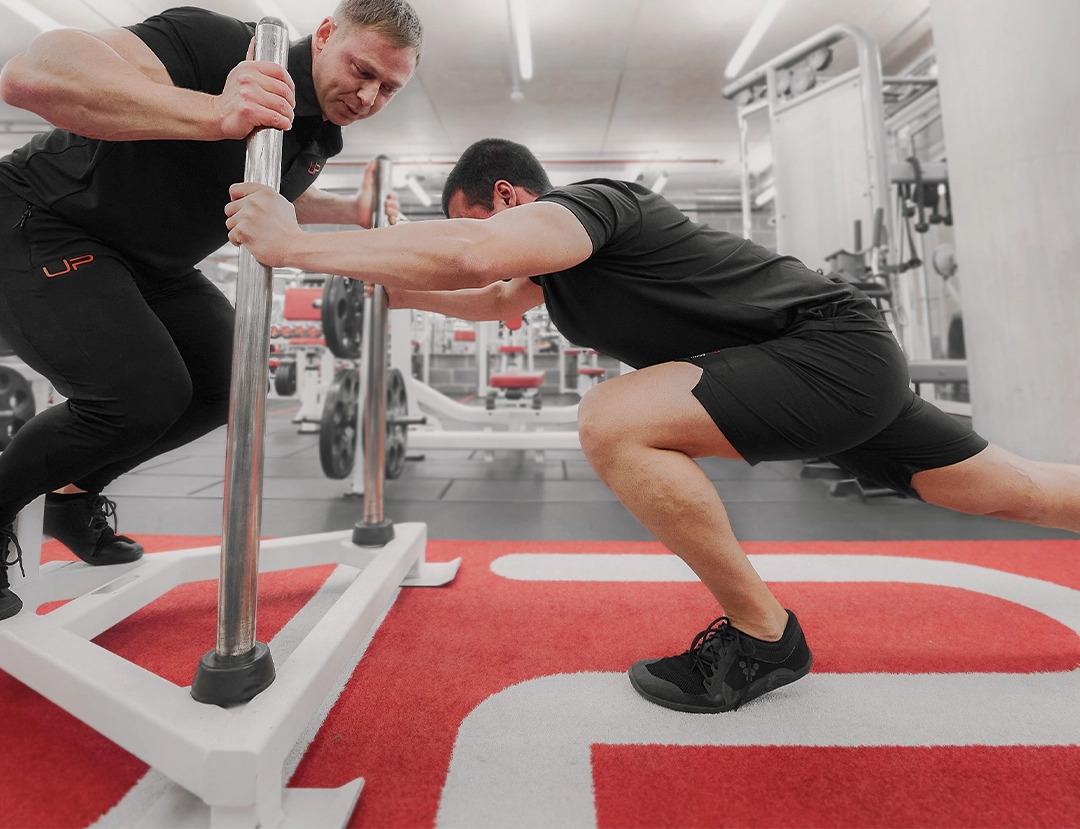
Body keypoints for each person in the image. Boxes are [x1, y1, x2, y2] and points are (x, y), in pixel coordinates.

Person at [224, 136, 1080, 714]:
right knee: (1022, 493)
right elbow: (486, 295)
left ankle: (764, 638)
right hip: (829, 370)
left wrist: (294, 241)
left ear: (512, 196)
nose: (481, 236)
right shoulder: (556, 276)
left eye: (476, 216)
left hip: (828, 353)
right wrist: (382, 282)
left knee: (613, 420)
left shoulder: (595, 206)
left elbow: (476, 256)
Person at [0, 0, 421, 620]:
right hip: (43, 221)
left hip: (151, 262)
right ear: (328, 33)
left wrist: (347, 210)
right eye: (363, 72)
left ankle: (74, 493)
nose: (368, 97)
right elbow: (33, 74)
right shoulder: (220, 45)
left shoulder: (320, 135)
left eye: (388, 89)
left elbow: (249, 173)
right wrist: (210, 111)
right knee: (140, 395)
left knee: (236, 378)